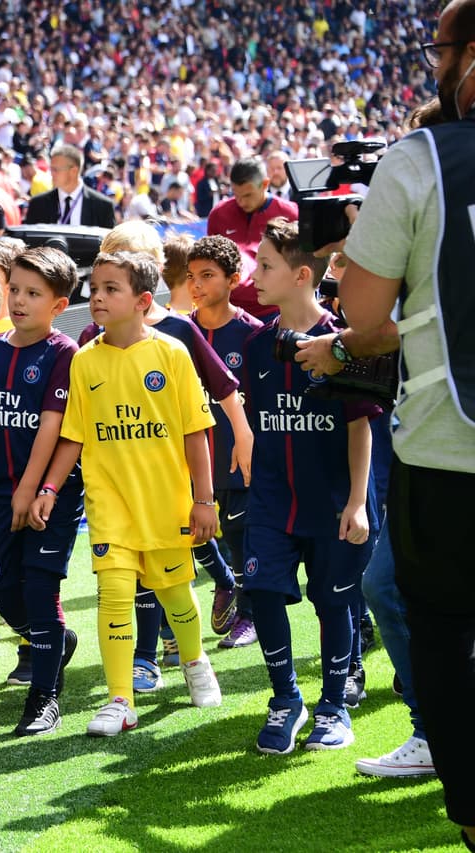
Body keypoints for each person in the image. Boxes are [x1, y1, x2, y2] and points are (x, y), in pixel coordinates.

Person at [322, 3, 475, 839]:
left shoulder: (422, 157)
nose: (434, 65)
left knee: (442, 629)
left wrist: (369, 247)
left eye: (440, 49)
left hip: (451, 447)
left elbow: (366, 318)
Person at [32, 250, 222, 736]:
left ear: (142, 301)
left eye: (110, 289)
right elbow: (73, 436)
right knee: (114, 595)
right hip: (109, 506)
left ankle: (195, 661)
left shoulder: (171, 353)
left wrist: (204, 500)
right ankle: (121, 699)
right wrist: (50, 486)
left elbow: (195, 433)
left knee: (175, 594)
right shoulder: (84, 361)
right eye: (94, 288)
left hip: (164, 504)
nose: (97, 297)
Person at [241, 219, 377, 755]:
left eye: (265, 265)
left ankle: (334, 706)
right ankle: (286, 699)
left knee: (333, 603)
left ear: (302, 275)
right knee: (262, 591)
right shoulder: (257, 345)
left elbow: (360, 426)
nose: (254, 275)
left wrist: (358, 502)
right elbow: (258, 419)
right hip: (272, 500)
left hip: (333, 502)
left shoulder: (346, 340)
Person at [0, 249, 81, 736]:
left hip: (50, 497)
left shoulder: (64, 353)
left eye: (33, 293)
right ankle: (56, 639)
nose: (18, 300)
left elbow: (53, 427)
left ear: (58, 306)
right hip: (1, 493)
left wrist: (33, 489)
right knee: (3, 590)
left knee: (39, 587)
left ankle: (44, 696)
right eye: (14, 289)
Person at [187, 236, 264, 651]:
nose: (196, 284)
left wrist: (248, 441)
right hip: (187, 459)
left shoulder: (252, 334)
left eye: (207, 275)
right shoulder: (178, 332)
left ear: (234, 280)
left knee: (239, 536)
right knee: (189, 533)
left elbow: (258, 402)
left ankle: (249, 615)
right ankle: (221, 582)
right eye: (191, 276)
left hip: (235, 459)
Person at [206, 157, 299, 319]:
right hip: (229, 310)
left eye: (248, 195)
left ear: (265, 184)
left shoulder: (289, 213)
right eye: (236, 195)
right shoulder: (218, 214)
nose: (241, 202)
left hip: (275, 311)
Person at [24, 144, 116, 228]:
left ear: (73, 171)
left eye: (55, 170)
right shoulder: (38, 204)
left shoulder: (103, 207)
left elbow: (110, 241)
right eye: (51, 169)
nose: (51, 174)